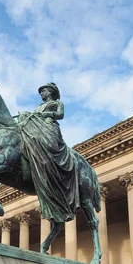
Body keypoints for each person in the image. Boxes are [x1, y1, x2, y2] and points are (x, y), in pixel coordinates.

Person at [18, 83, 81, 223]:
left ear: (51, 92)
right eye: (41, 92)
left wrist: (47, 114)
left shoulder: (57, 103)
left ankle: (51, 167)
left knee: (47, 157)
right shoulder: (38, 107)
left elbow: (60, 115)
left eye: (43, 91)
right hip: (39, 130)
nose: (41, 93)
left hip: (50, 129)